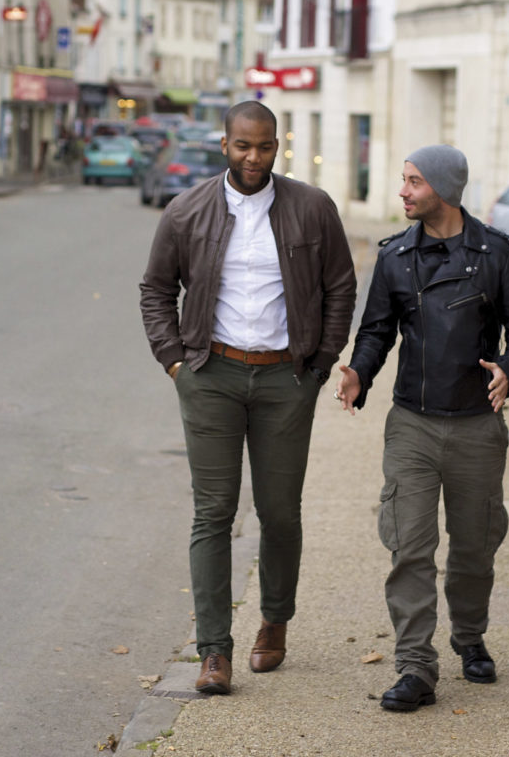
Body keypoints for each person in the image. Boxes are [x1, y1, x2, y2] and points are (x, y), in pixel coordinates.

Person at [140, 100, 356, 696]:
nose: (253, 158)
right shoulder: (186, 211)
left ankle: (274, 623)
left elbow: (340, 284)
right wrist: (176, 362)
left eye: (264, 147)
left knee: (280, 512)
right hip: (212, 375)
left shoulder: (311, 208)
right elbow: (157, 289)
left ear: (277, 145)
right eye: (243, 146)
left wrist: (318, 362)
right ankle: (214, 651)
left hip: (287, 380)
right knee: (213, 513)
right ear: (225, 144)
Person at [335, 145, 509, 712]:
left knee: (475, 547)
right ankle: (416, 666)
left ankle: (470, 637)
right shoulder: (396, 257)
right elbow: (377, 332)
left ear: (444, 190)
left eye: (413, 182)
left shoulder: (496, 254)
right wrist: (359, 373)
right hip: (412, 427)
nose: (402, 191)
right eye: (403, 180)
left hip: (478, 426)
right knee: (409, 546)